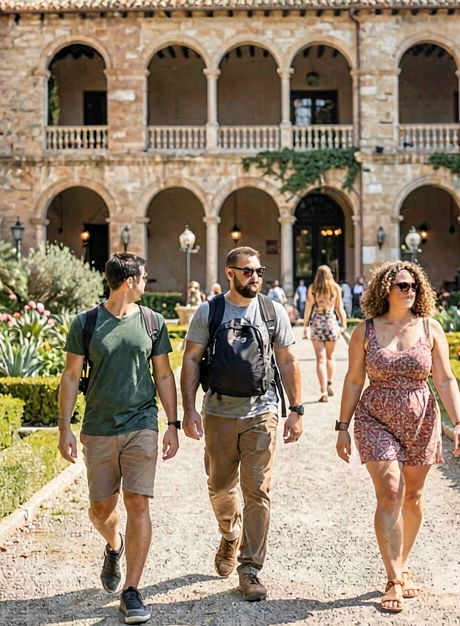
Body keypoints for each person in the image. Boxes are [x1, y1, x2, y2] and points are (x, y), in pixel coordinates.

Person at [335, 260, 460, 613]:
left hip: (421, 419)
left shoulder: (430, 328)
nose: (409, 291)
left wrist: (459, 423)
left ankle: (403, 562)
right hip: (374, 418)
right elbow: (353, 380)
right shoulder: (365, 331)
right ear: (386, 290)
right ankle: (393, 577)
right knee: (391, 490)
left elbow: (444, 379)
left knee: (413, 496)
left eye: (413, 286)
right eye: (402, 285)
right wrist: (342, 427)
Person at [58, 252, 179, 625]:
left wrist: (172, 422)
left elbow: (163, 375)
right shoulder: (87, 322)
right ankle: (114, 545)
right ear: (129, 281)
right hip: (99, 427)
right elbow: (71, 376)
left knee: (139, 504)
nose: (146, 282)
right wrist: (64, 427)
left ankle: (132, 590)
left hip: (142, 422)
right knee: (101, 511)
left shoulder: (152, 321)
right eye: (144, 277)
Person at [180, 247, 304, 602]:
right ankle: (230, 534)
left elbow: (288, 358)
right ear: (230, 273)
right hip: (218, 412)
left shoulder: (272, 310)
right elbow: (190, 358)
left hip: (261, 412)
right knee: (219, 488)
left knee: (258, 491)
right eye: (247, 271)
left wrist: (296, 409)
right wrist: (188, 410)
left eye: (259, 270)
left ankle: (250, 568)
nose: (255, 277)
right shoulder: (210, 310)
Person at [303, 265, 347, 403]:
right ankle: (330, 383)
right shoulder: (335, 288)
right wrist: (344, 325)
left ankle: (323, 391)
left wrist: (305, 326)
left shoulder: (313, 289)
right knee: (330, 356)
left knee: (320, 359)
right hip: (330, 322)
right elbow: (340, 309)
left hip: (317, 322)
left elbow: (308, 308)